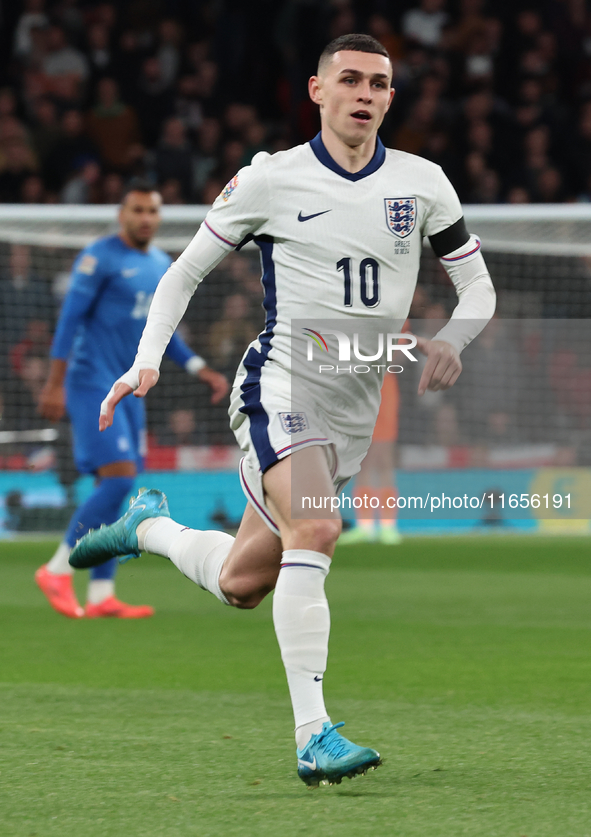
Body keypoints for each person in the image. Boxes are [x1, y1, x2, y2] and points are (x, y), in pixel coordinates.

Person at [69, 35, 496, 784]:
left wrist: (453, 340)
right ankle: (313, 734)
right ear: (317, 91)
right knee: (320, 524)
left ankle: (149, 525)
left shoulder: (423, 183)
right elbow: (182, 276)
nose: (366, 93)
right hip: (282, 382)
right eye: (351, 80)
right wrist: (144, 363)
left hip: (355, 404)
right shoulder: (269, 180)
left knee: (241, 582)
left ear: (390, 98)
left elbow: (477, 288)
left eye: (380, 83)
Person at [36, 178, 229, 619]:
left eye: (153, 211)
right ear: (122, 215)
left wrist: (200, 368)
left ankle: (101, 595)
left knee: (117, 485)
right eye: (138, 210)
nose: (146, 218)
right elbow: (69, 319)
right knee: (121, 479)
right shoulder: (98, 258)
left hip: (128, 387)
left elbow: (164, 334)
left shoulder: (161, 262)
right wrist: (54, 382)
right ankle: (56, 570)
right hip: (89, 382)